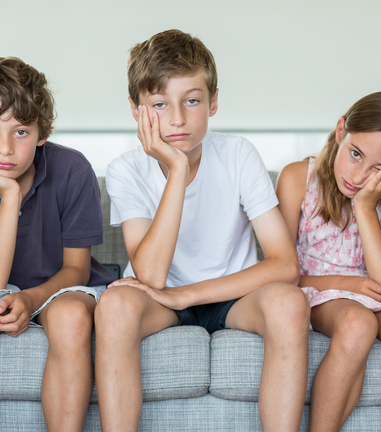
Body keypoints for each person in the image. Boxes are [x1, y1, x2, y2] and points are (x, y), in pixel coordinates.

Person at [94, 29, 310, 431]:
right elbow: (151, 276)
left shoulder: (238, 154)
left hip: (232, 297)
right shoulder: (126, 169)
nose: (177, 119)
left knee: (289, 303)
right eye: (159, 104)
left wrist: (187, 294)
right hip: (157, 297)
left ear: (213, 102)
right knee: (115, 306)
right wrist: (176, 169)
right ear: (136, 110)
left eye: (191, 101)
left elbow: (284, 265)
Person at [0, 57, 114, 432]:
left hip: (64, 287)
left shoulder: (72, 169)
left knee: (69, 317)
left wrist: (32, 299)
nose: (4, 148)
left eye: (20, 132)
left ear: (41, 133)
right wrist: (10, 196)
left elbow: (76, 269)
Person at [276, 91, 381, 432]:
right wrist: (347, 285)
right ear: (340, 132)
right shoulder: (297, 180)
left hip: (380, 295)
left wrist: (365, 208)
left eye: (378, 169)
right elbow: (279, 274)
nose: (359, 175)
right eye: (355, 154)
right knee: (356, 324)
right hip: (322, 293)